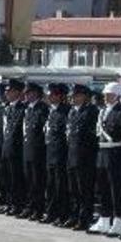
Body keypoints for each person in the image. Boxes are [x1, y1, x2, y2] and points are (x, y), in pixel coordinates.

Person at [90, 81, 121, 237]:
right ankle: (104, 218)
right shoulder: (102, 111)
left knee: (116, 189)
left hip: (115, 152)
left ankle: (118, 220)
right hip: (102, 152)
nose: (106, 97)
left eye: (110, 95)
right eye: (105, 95)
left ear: (117, 96)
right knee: (102, 188)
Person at [65, 83, 98, 231]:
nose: (73, 98)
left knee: (84, 190)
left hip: (85, 158)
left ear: (84, 96)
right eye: (72, 96)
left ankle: (84, 219)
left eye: (76, 95)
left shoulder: (91, 111)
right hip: (72, 155)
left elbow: (92, 137)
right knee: (73, 190)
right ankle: (74, 215)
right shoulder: (73, 112)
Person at [42, 82, 70, 226]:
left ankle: (62, 215)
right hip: (50, 154)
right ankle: (51, 213)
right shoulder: (51, 111)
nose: (49, 97)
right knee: (51, 186)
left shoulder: (65, 112)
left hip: (60, 154)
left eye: (52, 94)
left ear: (60, 96)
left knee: (61, 187)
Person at [0, 79, 26, 216]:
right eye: (6, 91)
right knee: (7, 179)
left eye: (9, 91)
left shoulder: (22, 109)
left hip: (16, 150)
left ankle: (17, 204)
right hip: (6, 148)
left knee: (16, 180)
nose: (6, 93)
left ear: (17, 92)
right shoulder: (8, 108)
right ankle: (9, 203)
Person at [21, 81, 48, 221]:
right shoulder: (28, 109)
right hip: (27, 150)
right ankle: (30, 206)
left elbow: (43, 131)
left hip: (37, 151)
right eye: (25, 93)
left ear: (35, 93)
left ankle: (38, 209)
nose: (26, 95)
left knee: (38, 182)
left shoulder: (42, 109)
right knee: (29, 182)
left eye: (28, 93)